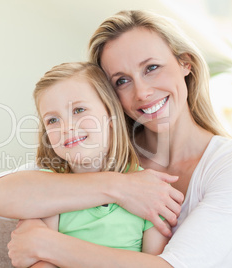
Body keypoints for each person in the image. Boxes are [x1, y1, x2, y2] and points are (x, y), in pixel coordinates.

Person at [0, 10, 232, 267]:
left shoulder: (224, 164)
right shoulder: (101, 149)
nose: (142, 92)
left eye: (152, 68)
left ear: (185, 63)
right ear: (108, 98)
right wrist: (119, 187)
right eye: (122, 81)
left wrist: (46, 244)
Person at [28, 62, 169, 268]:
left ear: (111, 115)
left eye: (79, 110)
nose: (67, 127)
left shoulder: (149, 191)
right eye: (52, 120)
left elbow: (155, 262)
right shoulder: (48, 187)